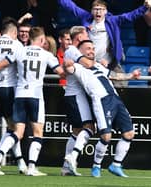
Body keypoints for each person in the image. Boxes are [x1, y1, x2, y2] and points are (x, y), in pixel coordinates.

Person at [0, 26, 65, 176]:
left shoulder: (19, 50)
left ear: (29, 37)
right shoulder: (46, 54)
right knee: (38, 132)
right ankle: (31, 167)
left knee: (18, 132)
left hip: (19, 94)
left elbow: (2, 65)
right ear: (42, 39)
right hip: (36, 95)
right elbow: (61, 73)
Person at [64, 40, 140, 178]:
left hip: (115, 99)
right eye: (88, 49)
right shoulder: (78, 67)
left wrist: (131, 76)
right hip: (101, 101)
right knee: (106, 136)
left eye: (93, 48)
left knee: (129, 133)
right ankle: (96, 167)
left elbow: (115, 76)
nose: (91, 51)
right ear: (79, 52)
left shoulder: (98, 65)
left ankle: (116, 164)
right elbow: (67, 68)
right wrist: (67, 64)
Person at [58, 0, 151, 87]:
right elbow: (71, 7)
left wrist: (144, 8)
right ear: (91, 11)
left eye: (101, 9)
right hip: (89, 62)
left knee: (122, 85)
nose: (98, 12)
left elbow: (130, 16)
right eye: (95, 9)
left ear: (105, 11)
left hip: (110, 63)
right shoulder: (86, 17)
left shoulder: (113, 21)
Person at [0, 17, 27, 176]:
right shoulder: (16, 45)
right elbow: (7, 65)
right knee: (17, 129)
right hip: (9, 88)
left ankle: (20, 162)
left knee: (11, 127)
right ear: (14, 32)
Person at [60, 26, 96, 176]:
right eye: (85, 35)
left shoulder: (70, 52)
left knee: (76, 131)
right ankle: (72, 157)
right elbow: (88, 64)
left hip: (71, 94)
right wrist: (97, 63)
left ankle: (66, 167)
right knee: (89, 127)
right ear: (79, 37)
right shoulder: (73, 51)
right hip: (76, 95)